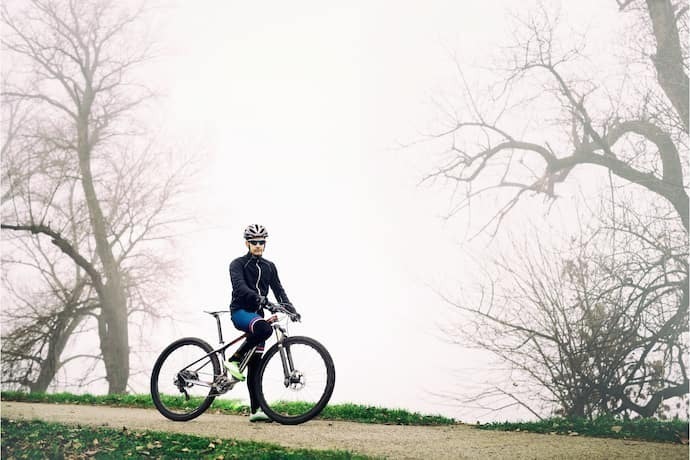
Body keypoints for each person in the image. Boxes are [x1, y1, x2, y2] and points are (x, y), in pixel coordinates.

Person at [225, 224, 299, 422]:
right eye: (254, 242)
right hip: (241, 312)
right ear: (247, 243)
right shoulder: (237, 264)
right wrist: (260, 298)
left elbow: (279, 291)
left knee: (255, 365)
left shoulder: (269, 267)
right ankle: (234, 360)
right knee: (264, 328)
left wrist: (291, 309)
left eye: (261, 242)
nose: (258, 245)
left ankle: (256, 411)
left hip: (257, 316)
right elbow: (240, 288)